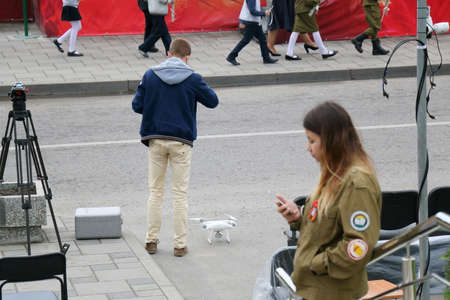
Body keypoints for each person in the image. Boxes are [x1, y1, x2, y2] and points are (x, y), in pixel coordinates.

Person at [275, 101, 381, 300]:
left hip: (333, 292)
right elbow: (328, 225)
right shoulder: (335, 174)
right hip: (318, 289)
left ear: (332, 140)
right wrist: (298, 218)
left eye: (312, 141)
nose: (308, 148)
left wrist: (316, 263)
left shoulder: (356, 183)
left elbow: (358, 244)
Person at [132, 39, 219, 257]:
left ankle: (151, 241)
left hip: (155, 139)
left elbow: (137, 105)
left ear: (169, 53)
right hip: (181, 141)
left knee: (155, 192)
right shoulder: (193, 78)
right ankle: (179, 245)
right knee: (180, 194)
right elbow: (213, 101)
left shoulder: (150, 75)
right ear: (187, 57)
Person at [226, 0, 278, 65]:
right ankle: (231, 56)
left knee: (262, 40)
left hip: (253, 21)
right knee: (247, 40)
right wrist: (264, 13)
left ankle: (266, 58)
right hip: (250, 22)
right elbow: (252, 11)